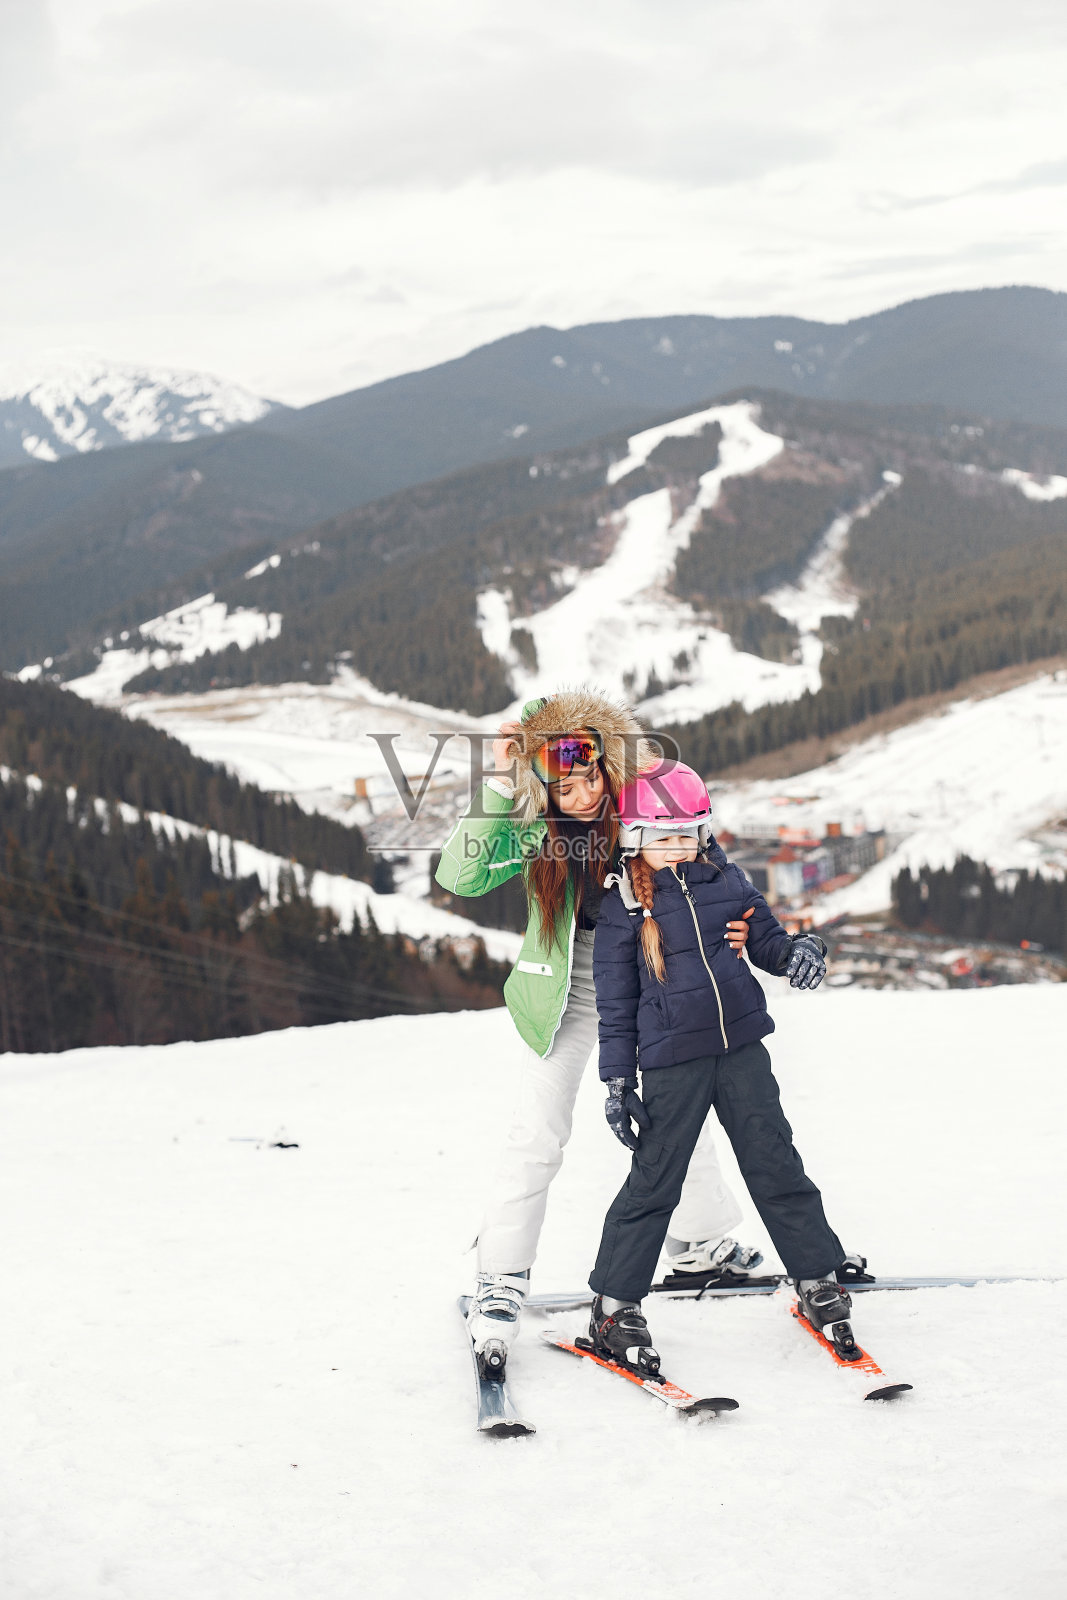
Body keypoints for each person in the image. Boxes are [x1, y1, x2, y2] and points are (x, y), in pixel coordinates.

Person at [435, 689, 763, 1377]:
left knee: (677, 1119)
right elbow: (457, 875)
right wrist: (499, 781)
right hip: (565, 995)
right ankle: (500, 1277)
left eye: (589, 776)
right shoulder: (533, 833)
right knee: (539, 1134)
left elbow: (711, 868)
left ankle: (700, 1243)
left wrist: (740, 924)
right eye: (562, 782)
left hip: (651, 986)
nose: (580, 793)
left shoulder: (644, 809)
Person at [585, 758, 862, 1375]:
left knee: (775, 1161)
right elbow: (615, 1006)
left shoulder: (727, 880)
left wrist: (800, 955)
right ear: (632, 837)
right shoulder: (622, 908)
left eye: (688, 832)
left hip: (741, 1051)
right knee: (656, 1180)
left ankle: (816, 1276)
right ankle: (612, 1305)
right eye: (661, 836)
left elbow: (767, 942)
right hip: (670, 1062)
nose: (677, 847)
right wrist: (616, 1080)